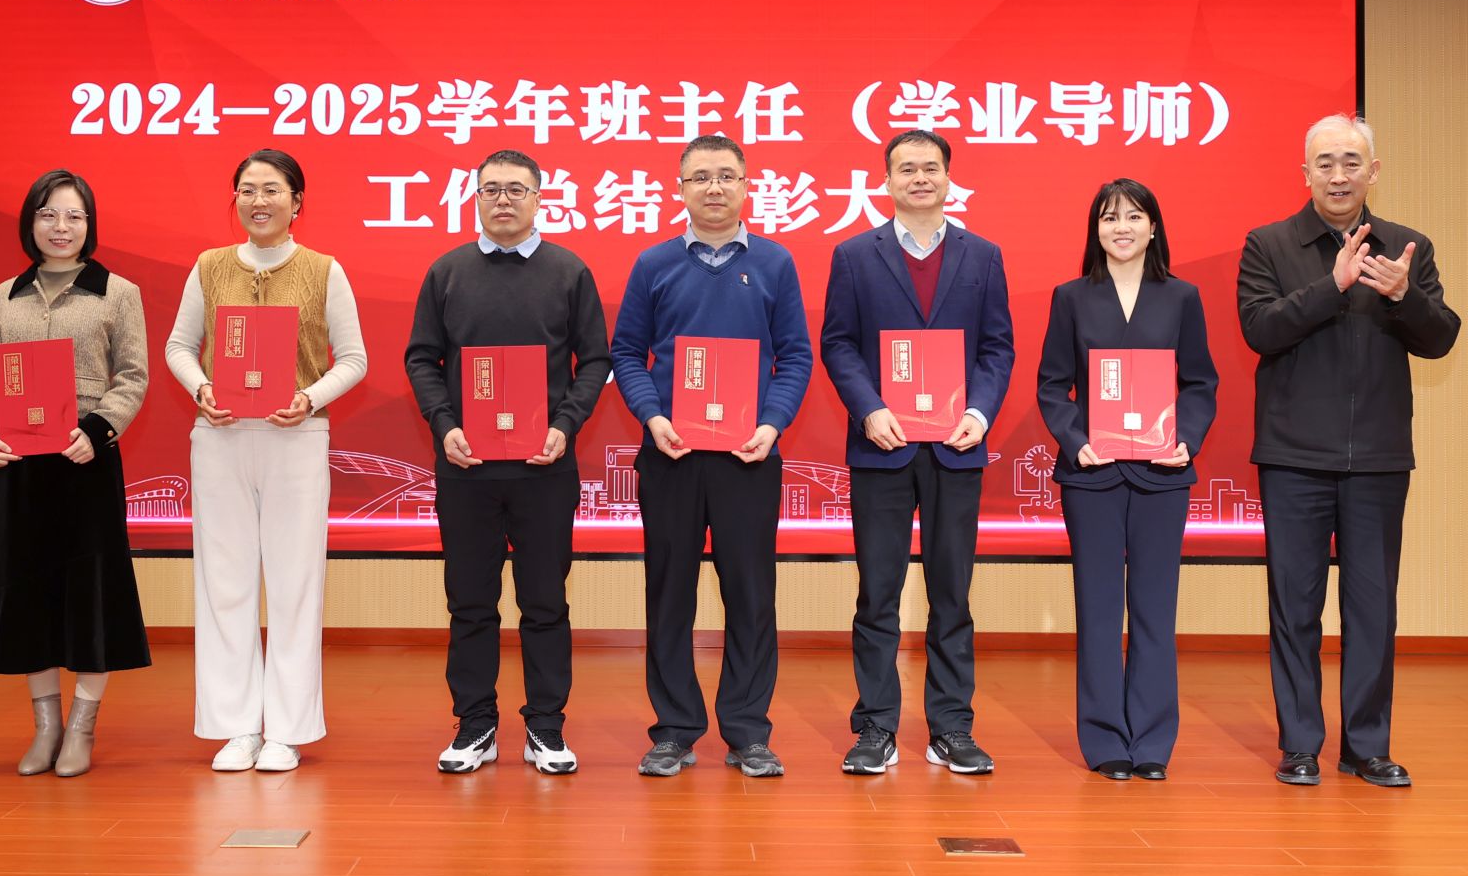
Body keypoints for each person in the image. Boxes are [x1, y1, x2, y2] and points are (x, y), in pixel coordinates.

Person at [1237, 115, 1460, 788]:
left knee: (1372, 608)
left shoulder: (1407, 248)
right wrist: (1331, 286)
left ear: (1373, 171)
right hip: (1294, 457)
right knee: (1295, 607)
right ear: (1305, 173)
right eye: (1325, 163)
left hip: (1379, 460)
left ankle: (1366, 746)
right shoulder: (1269, 244)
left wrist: (1402, 295)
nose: (1338, 175)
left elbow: (1441, 337)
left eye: (1351, 162)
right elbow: (1260, 329)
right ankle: (1300, 744)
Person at [610, 134, 813, 778]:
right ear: (680, 189)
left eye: (727, 175)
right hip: (670, 454)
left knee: (750, 595)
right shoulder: (653, 263)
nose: (714, 187)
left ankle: (748, 730)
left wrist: (772, 424)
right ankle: (674, 729)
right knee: (669, 593)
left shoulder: (776, 262)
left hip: (749, 457)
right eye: (700, 177)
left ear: (747, 186)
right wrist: (653, 416)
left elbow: (796, 356)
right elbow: (626, 353)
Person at [404, 149, 613, 776]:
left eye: (516, 189)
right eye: (491, 189)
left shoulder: (569, 271)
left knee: (545, 602)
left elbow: (595, 361)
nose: (503, 199)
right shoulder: (447, 272)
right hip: (466, 468)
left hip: (544, 467)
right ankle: (476, 725)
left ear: (538, 198)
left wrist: (564, 425)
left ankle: (546, 726)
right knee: (470, 601)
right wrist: (445, 425)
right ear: (474, 198)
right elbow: (421, 358)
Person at [164, 149, 367, 773]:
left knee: (295, 584)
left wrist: (310, 399)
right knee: (224, 584)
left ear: (296, 201)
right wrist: (201, 387)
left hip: (295, 440)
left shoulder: (324, 270)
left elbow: (354, 359)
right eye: (247, 189)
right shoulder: (209, 266)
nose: (259, 200)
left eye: (272, 189)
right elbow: (179, 346)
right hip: (220, 438)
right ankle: (235, 727)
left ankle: (287, 729)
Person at [819, 130, 1014, 777]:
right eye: (907, 168)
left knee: (951, 594)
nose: (920, 178)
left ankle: (952, 727)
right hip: (884, 445)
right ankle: (875, 727)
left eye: (931, 167)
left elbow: (997, 347)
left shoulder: (983, 255)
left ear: (950, 178)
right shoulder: (854, 254)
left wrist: (979, 413)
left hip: (957, 446)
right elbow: (838, 343)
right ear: (887, 180)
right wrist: (869, 408)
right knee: (878, 593)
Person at [0, 169, 151, 778]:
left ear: (89, 225)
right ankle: (45, 726)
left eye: (74, 215)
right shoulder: (4, 296)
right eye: (48, 214)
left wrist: (97, 430)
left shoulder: (117, 293)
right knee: (29, 595)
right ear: (31, 223)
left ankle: (82, 726)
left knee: (90, 595)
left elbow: (133, 376)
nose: (61, 226)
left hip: (85, 463)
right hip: (22, 470)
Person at [1036, 178, 1218, 781]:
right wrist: (1076, 441)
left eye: (1134, 217)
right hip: (1092, 475)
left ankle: (1153, 742)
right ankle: (1105, 740)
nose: (1122, 228)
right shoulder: (1071, 297)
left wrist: (1186, 438)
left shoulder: (1182, 296)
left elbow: (1200, 382)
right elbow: (1051, 385)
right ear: (1096, 229)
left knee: (1154, 610)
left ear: (1154, 227)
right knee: (1098, 607)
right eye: (1110, 218)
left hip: (1163, 473)